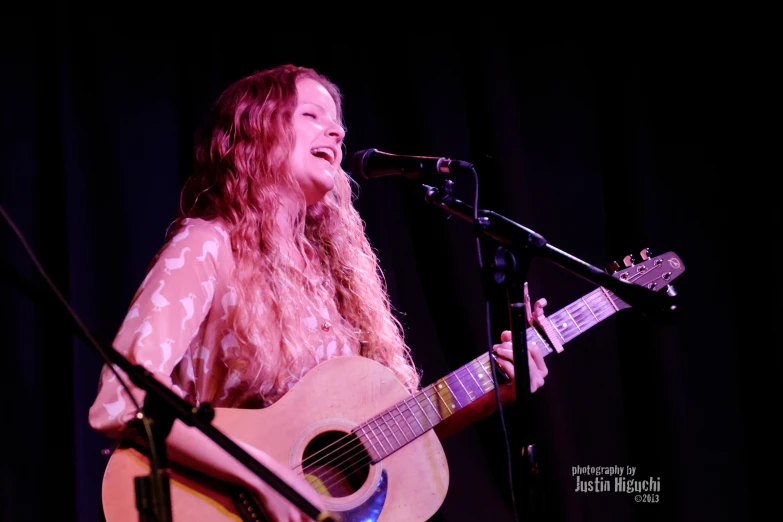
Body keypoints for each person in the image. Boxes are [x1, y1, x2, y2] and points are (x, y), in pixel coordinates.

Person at [88, 64, 549, 522]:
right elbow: (124, 396)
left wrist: (495, 390)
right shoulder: (206, 246)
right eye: (311, 115)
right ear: (256, 132)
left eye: (338, 124)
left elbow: (384, 438)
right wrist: (259, 476)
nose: (336, 131)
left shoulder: (336, 275)